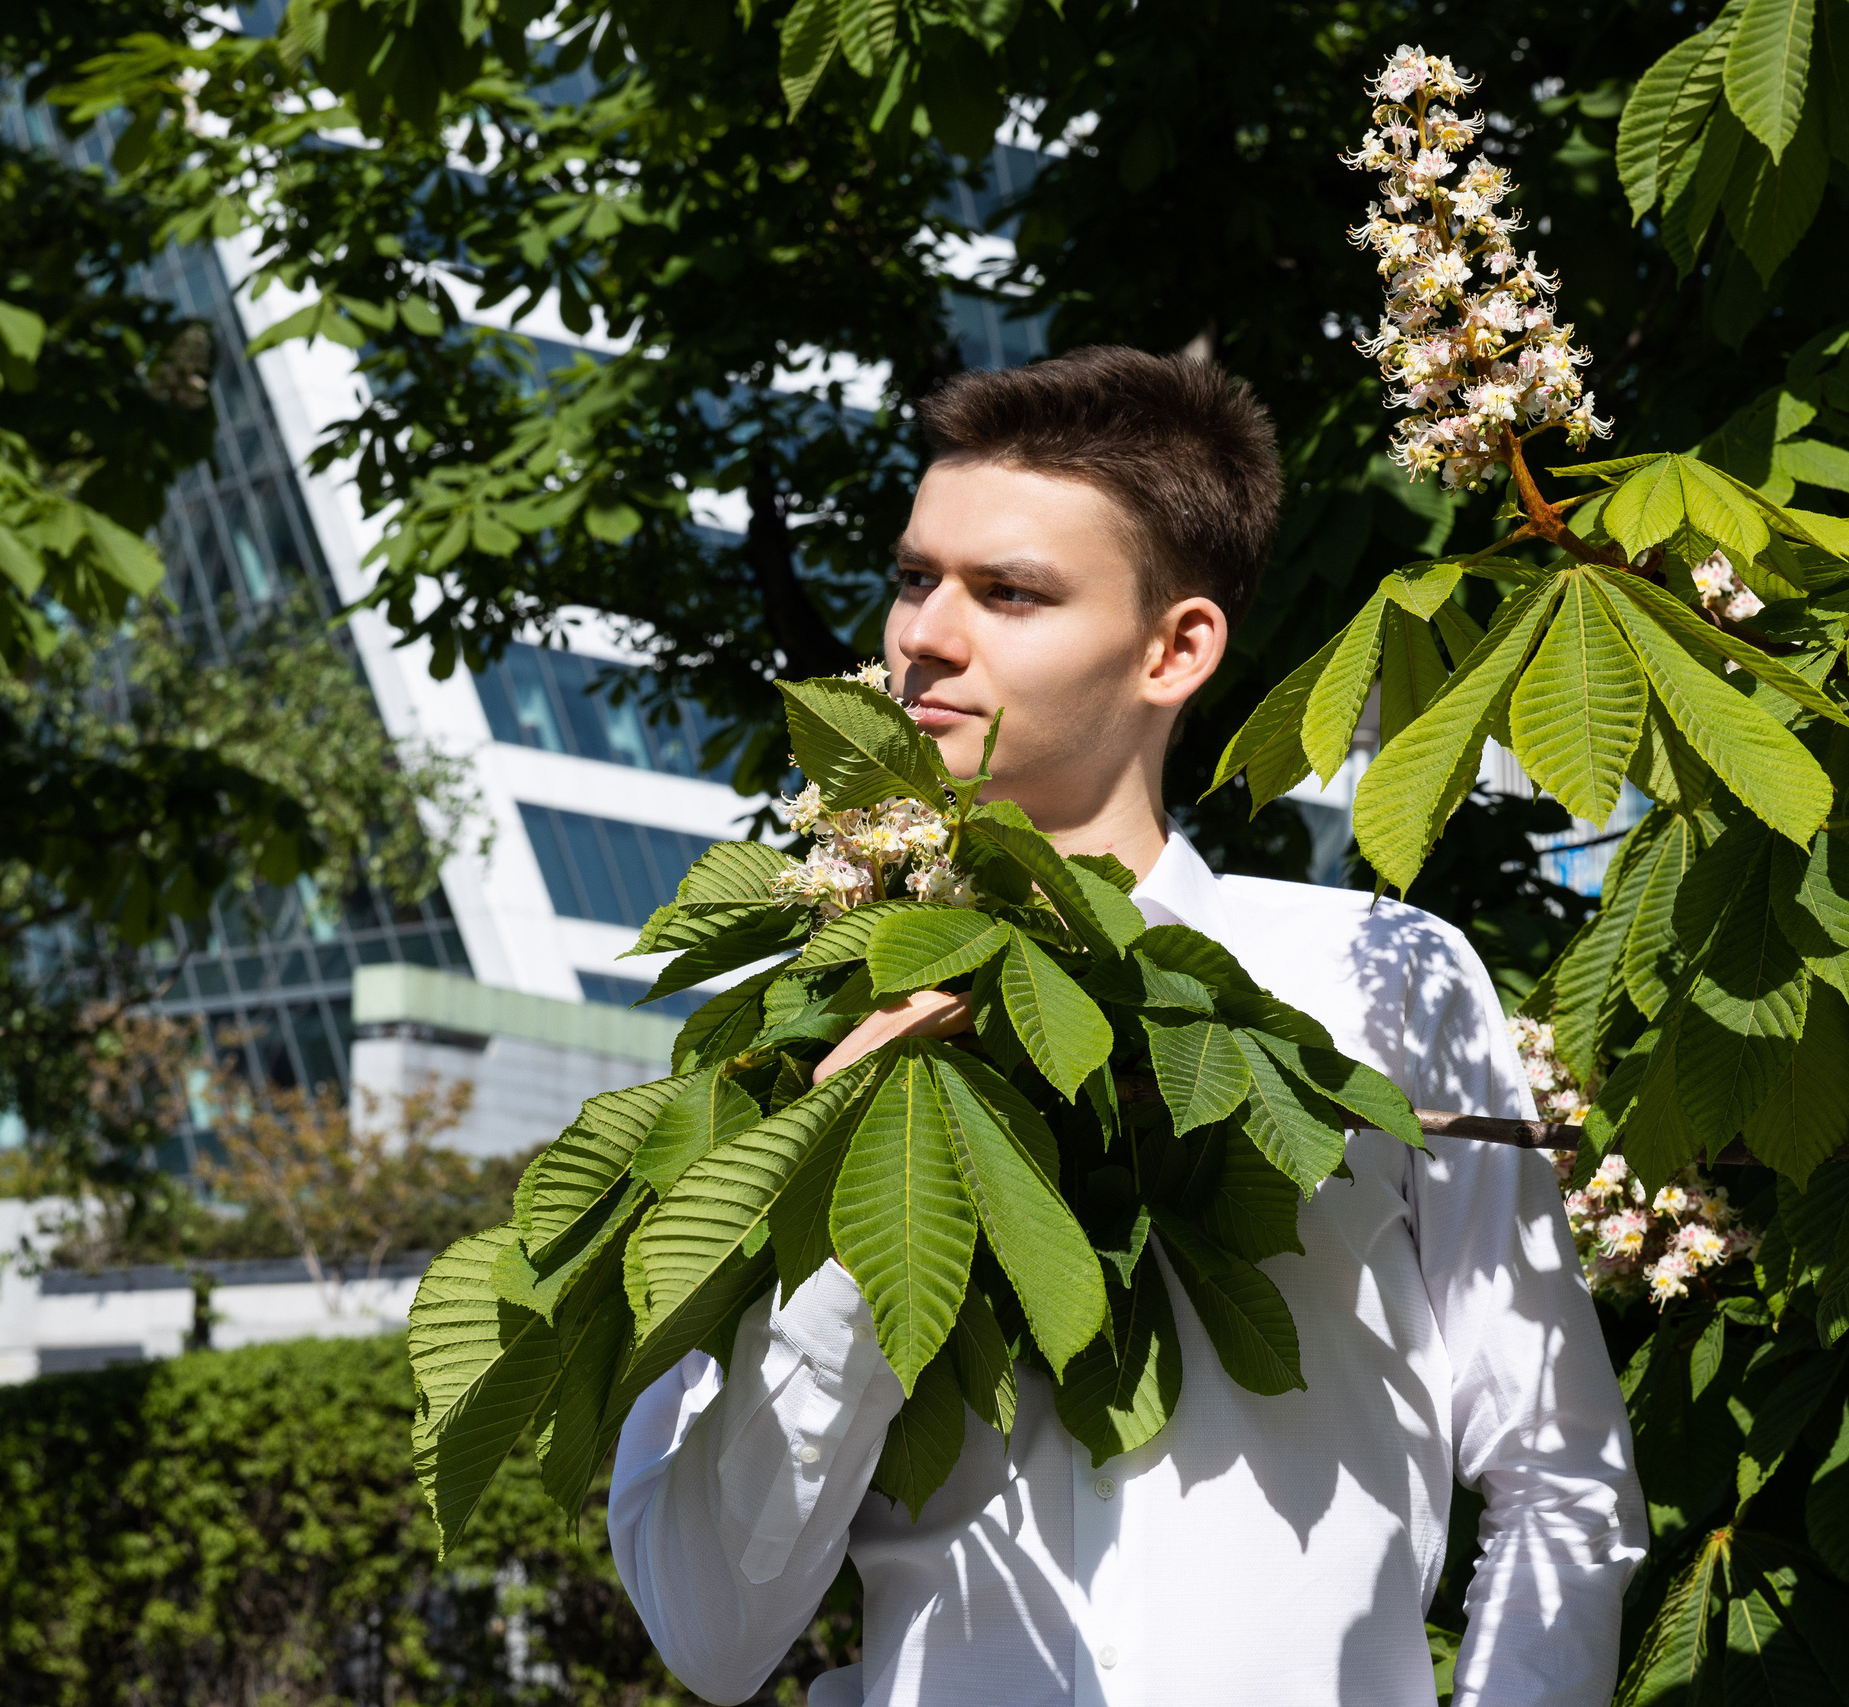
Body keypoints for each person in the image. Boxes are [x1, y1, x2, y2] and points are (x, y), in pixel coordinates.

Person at [607, 345, 1645, 1707]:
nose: (925, 633)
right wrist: (857, 1210)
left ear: (1175, 647)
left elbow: (1561, 1476)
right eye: (916, 577)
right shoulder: (796, 1038)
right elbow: (711, 1632)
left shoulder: (1378, 976)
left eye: (1011, 593)